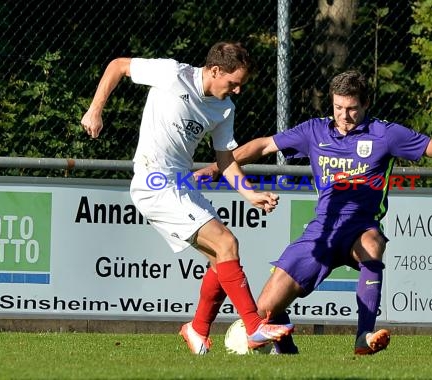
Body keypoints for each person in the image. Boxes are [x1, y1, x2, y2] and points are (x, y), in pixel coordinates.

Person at [195, 70, 432, 355]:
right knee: (265, 311)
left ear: (365, 104)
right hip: (321, 233)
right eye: (338, 107)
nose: (344, 116)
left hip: (360, 229)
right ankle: (287, 349)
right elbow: (263, 145)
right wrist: (216, 167)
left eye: (352, 109)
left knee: (373, 242)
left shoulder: (386, 134)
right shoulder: (314, 131)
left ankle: (364, 335)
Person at [80, 41, 294, 355]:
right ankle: (254, 327)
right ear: (216, 70)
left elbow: (225, 159)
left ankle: (197, 329)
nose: (237, 90)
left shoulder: (224, 109)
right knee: (227, 244)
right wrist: (95, 109)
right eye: (233, 83)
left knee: (221, 261)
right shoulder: (171, 73)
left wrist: (249, 193)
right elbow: (118, 65)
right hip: (154, 182)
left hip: (181, 184)